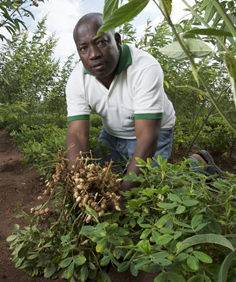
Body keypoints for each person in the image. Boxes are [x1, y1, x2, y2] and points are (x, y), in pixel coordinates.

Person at [65, 13, 224, 192]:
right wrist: (77, 181)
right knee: (102, 183)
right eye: (83, 48)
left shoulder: (145, 68)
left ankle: (198, 163)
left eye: (101, 42)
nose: (93, 54)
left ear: (117, 40)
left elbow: (147, 137)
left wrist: (125, 192)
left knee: (152, 189)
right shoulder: (77, 79)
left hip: (153, 132)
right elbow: (77, 135)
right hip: (112, 134)